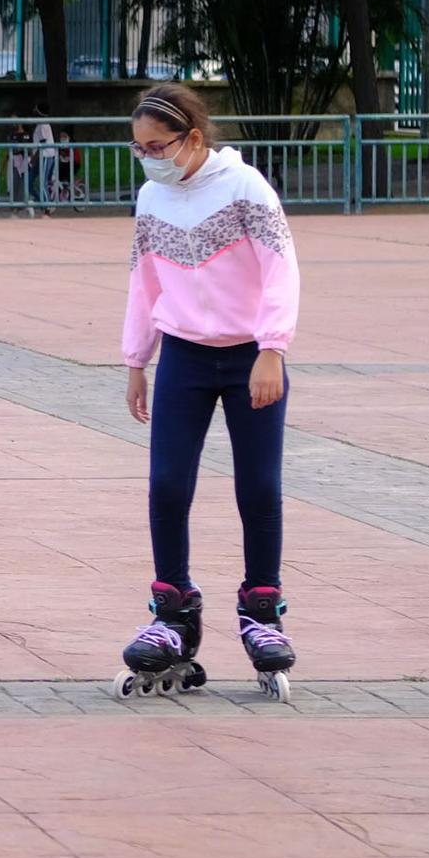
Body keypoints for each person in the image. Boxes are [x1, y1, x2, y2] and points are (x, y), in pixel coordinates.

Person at [115, 83, 301, 702]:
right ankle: (173, 610)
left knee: (259, 487)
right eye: (139, 148)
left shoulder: (246, 189)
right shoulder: (151, 197)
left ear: (193, 139)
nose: (148, 157)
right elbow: (144, 280)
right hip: (184, 357)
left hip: (251, 355)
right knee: (168, 483)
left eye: (157, 145)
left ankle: (261, 609)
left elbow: (281, 267)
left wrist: (272, 346)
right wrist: (137, 359)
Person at [32, 105, 60, 216]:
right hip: (47, 155)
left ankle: (48, 205)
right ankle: (45, 202)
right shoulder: (43, 124)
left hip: (45, 155)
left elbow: (42, 144)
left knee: (42, 183)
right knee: (43, 182)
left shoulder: (43, 125)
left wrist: (34, 159)